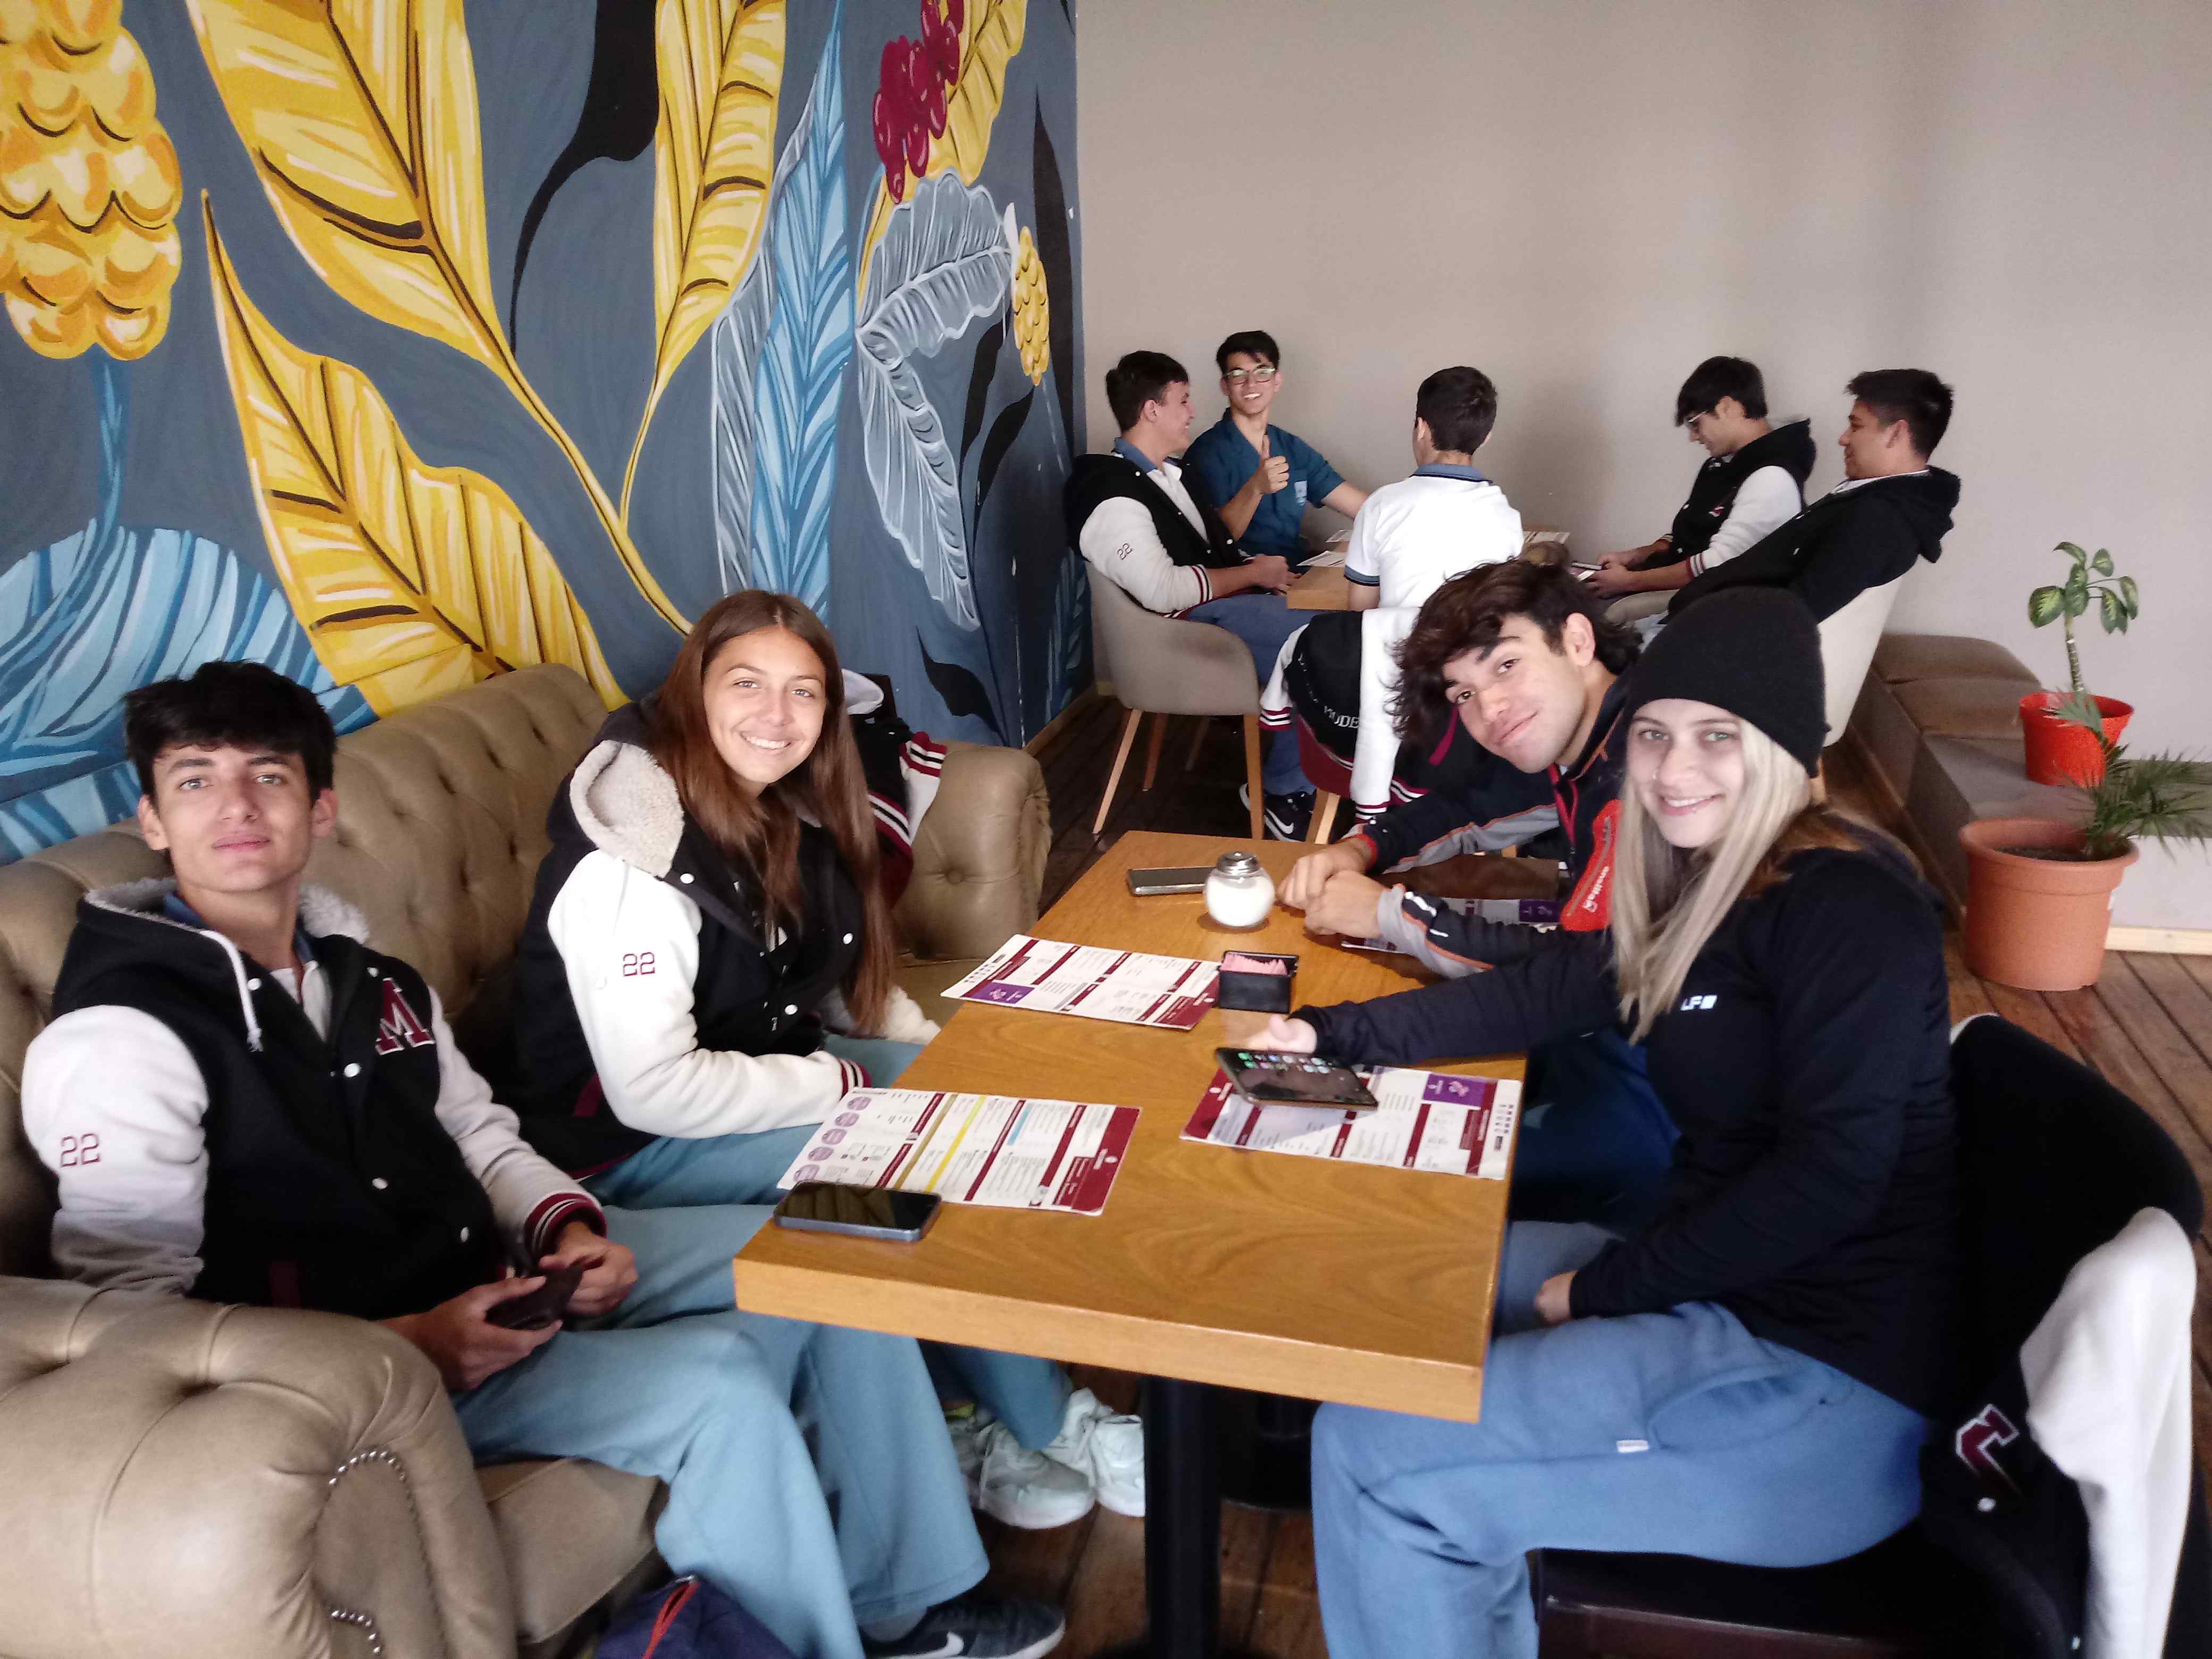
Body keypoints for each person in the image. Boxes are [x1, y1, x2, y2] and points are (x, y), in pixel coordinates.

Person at [19, 661, 1064, 1659]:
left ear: (320, 809)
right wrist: (408, 1346)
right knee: (720, 1385)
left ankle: (906, 1607)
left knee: (824, 1260)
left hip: (494, 1274)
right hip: (359, 1375)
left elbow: (480, 1135)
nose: (237, 807)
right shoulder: (123, 1035)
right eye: (195, 782)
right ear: (152, 821)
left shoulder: (369, 978)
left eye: (270, 777)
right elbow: (133, 1332)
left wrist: (566, 1228)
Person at [1255, 589, 1962, 1659]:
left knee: (1369, 1457)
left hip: (1816, 1382)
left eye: (1718, 737)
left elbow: (1832, 1178)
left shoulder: (1850, 905)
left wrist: (1599, 1292)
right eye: (1656, 736)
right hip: (1712, 1278)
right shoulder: (1693, 879)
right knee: (1391, 1265)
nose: (1675, 770)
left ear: (1784, 750)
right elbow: (1536, 997)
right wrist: (1328, 1035)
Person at [507, 591, 1136, 1536]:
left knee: (982, 1121)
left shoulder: (781, 807)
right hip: (620, 1145)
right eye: (748, 685)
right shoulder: (632, 856)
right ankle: (1026, 1419)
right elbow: (655, 1089)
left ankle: (999, 1401)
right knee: (922, 1165)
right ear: (692, 694)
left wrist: (930, 1060)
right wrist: (848, 1084)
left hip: (752, 1068)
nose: (778, 714)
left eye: (803, 692)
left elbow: (829, 976)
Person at [1279, 562, 1674, 1229]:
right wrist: (1358, 849)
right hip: (1597, 1047)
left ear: (1577, 640)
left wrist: (1388, 916)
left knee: (1353, 1185)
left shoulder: (1646, 770)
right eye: (1463, 692)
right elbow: (1467, 807)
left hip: (1657, 1114)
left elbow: (1577, 983)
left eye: (1506, 665)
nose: (1488, 708)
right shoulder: (1596, 732)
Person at [1065, 349, 1318, 837]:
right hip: (1182, 632)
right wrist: (1253, 574)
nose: (1192, 411)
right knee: (1327, 641)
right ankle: (1283, 793)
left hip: (1218, 612)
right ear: (1152, 410)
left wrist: (1262, 571)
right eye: (1182, 400)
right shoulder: (1108, 490)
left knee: (1335, 628)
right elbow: (1163, 590)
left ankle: (1302, 781)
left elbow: (1210, 552)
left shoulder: (1169, 476)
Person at [1264, 366, 1522, 820]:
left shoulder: (1383, 505)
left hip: (1386, 694)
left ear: (1421, 427)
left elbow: (1360, 612)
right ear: (1486, 436)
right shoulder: (1507, 519)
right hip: (1463, 703)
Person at [1671, 368, 1958, 621]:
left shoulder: (1877, 520)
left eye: (1856, 426)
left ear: (1896, 434)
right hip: (1699, 619)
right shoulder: (1871, 500)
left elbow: (1790, 619)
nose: (1843, 438)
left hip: (1705, 642)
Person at [1585, 356, 1816, 623]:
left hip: (1715, 601)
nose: (1693, 437)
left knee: (1595, 616)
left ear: (1727, 407)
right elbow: (1687, 533)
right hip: (1690, 586)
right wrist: (1635, 557)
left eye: (1695, 423)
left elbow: (1718, 564)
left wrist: (1629, 582)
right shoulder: (1723, 464)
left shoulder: (1771, 478)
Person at [1183, 329, 1369, 568]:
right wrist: (1255, 488)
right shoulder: (1207, 454)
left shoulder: (1291, 447)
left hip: (1297, 570)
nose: (1251, 383)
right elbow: (1215, 542)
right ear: (1225, 386)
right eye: (1238, 374)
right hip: (1245, 579)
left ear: (1277, 381)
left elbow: (1361, 506)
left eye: (1262, 372)